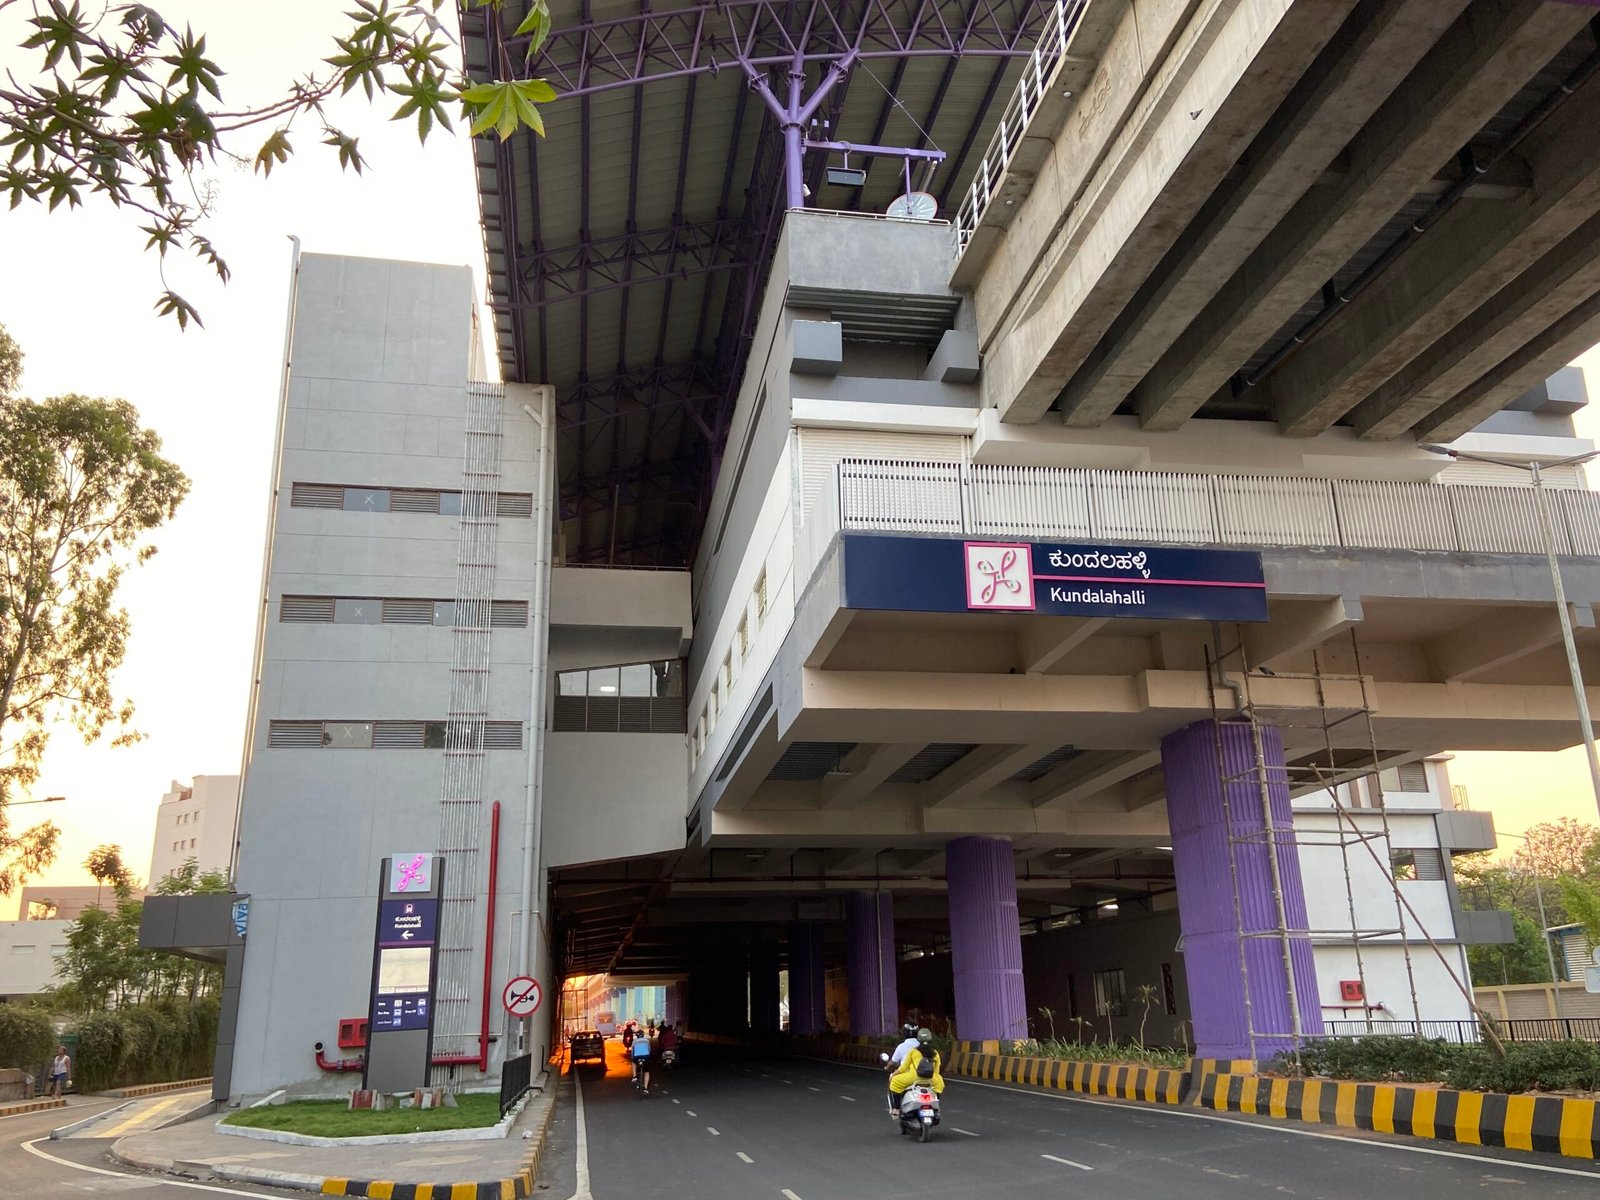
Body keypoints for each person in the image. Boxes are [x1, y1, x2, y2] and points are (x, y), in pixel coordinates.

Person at [887, 1028, 944, 1121]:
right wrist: (935, 1078)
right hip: (931, 1078)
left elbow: (903, 1068)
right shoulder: (935, 1052)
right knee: (939, 1085)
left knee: (894, 1082)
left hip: (914, 1077)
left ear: (918, 1039)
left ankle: (896, 1109)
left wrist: (894, 1074)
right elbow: (936, 1070)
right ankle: (937, 1109)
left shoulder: (913, 1051)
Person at [886, 1023, 918, 1115]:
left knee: (894, 1081)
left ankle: (896, 1108)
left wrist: (888, 1067)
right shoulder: (924, 1047)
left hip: (909, 1075)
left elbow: (897, 1064)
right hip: (926, 1075)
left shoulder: (902, 1047)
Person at [630, 1024, 653, 1095]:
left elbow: (632, 1051)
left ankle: (634, 1076)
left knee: (633, 1063)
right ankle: (645, 1088)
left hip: (636, 1057)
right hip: (646, 1057)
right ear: (643, 1035)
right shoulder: (647, 1041)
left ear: (637, 1036)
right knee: (646, 1072)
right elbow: (649, 1050)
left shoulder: (634, 1041)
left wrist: (632, 1058)